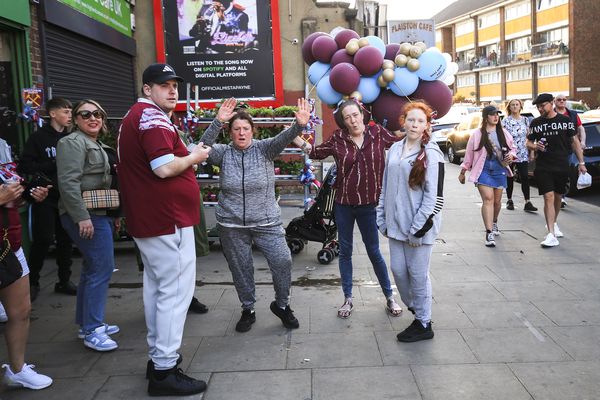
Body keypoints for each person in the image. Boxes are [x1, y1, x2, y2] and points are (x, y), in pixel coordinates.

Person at [117, 63, 211, 396]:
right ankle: (164, 370)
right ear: (147, 89)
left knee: (157, 290)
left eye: (174, 85)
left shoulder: (140, 117)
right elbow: (163, 168)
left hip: (155, 219)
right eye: (163, 85)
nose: (172, 90)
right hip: (165, 218)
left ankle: (159, 359)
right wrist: (195, 156)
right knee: (174, 294)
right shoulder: (152, 119)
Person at [198, 97, 309, 333]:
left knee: (282, 260)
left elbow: (285, 137)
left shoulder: (265, 149)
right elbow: (203, 147)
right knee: (241, 267)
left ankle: (282, 305)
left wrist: (298, 125)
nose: (241, 133)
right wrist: (217, 121)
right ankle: (248, 308)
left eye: (245, 129)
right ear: (230, 133)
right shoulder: (223, 153)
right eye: (236, 129)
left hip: (267, 221)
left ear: (253, 131)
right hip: (231, 223)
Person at [306, 99, 403, 319]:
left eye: (355, 115)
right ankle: (348, 298)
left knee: (374, 251)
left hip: (370, 204)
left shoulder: (377, 133)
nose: (353, 120)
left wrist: (421, 129)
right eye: (347, 117)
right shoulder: (338, 138)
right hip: (344, 204)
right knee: (345, 252)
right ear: (343, 120)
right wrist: (294, 133)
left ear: (362, 114)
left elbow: (400, 142)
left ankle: (389, 296)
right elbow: (314, 152)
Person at [376, 101, 444, 342]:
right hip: (395, 226)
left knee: (417, 275)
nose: (415, 124)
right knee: (398, 271)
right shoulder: (394, 149)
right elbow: (385, 186)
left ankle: (424, 323)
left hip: (419, 228)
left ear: (427, 126)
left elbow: (435, 198)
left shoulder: (433, 154)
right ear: (403, 121)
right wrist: (381, 217)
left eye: (420, 121)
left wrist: (418, 230)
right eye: (411, 119)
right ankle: (417, 307)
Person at [56, 100, 120, 352]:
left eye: (97, 114)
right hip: (87, 214)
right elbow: (68, 182)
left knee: (92, 268)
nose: (93, 118)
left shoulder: (94, 143)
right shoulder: (71, 143)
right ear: (75, 118)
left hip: (98, 212)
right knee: (101, 268)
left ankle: (87, 324)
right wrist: (81, 217)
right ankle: (93, 330)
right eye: (86, 114)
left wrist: (111, 214)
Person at [0, 140, 53, 391]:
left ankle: (18, 369)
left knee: (20, 312)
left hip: (10, 242)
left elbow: (11, 194)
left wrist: (29, 195)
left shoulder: (1, 145)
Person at [18, 97, 76, 302]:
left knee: (65, 240)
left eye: (71, 111)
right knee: (43, 240)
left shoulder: (72, 138)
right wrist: (52, 165)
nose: (70, 115)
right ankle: (32, 282)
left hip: (66, 197)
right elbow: (24, 166)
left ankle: (64, 280)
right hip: (44, 196)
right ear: (52, 114)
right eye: (65, 111)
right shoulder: (38, 138)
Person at [526, 93, 587, 248]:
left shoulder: (565, 121)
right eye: (538, 106)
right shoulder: (535, 122)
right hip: (543, 165)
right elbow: (528, 142)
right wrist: (535, 146)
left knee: (558, 196)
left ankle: (552, 222)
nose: (540, 109)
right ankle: (551, 234)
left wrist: (581, 162)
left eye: (542, 105)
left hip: (561, 164)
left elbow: (575, 142)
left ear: (551, 103)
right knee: (548, 196)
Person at [458, 105, 516, 247]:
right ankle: (488, 232)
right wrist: (463, 171)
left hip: (499, 168)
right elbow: (469, 154)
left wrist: (511, 156)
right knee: (488, 200)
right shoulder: (477, 134)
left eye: (497, 114)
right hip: (483, 169)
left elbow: (513, 148)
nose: (496, 117)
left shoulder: (504, 132)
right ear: (486, 117)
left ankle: (494, 222)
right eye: (492, 114)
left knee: (497, 202)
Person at [501, 99, 537, 212]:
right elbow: (502, 137)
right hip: (510, 153)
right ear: (509, 107)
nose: (515, 107)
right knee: (510, 176)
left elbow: (530, 137)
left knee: (525, 177)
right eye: (512, 105)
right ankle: (509, 200)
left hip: (523, 152)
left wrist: (531, 151)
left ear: (520, 106)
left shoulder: (526, 120)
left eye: (517, 105)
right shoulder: (506, 121)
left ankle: (527, 202)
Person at [553, 94, 586, 208]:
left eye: (564, 100)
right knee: (554, 173)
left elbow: (581, 128)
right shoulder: (550, 114)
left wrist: (583, 142)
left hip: (568, 148)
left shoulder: (572, 114)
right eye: (559, 100)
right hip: (553, 149)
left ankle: (561, 197)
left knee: (564, 173)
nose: (562, 101)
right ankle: (556, 194)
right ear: (554, 101)